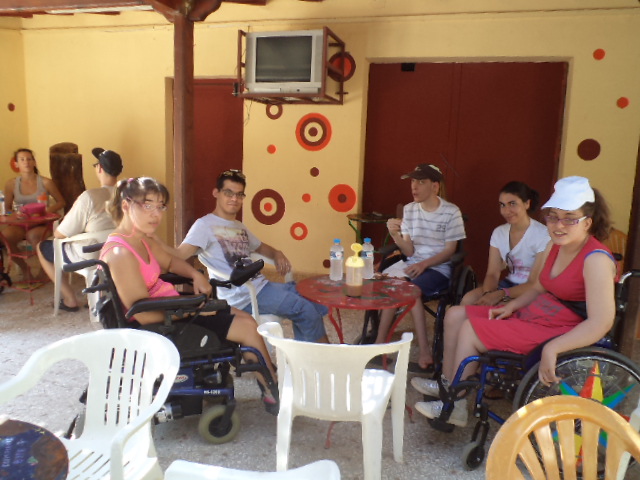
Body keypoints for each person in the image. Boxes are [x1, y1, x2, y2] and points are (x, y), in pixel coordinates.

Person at [412, 176, 616, 427]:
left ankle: (455, 404)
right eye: (553, 217)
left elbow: (601, 322)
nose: (558, 225)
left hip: (558, 328)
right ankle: (447, 382)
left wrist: (553, 348)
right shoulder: (557, 246)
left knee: (471, 329)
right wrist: (511, 305)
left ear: (587, 222)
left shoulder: (595, 259)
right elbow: (539, 287)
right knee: (455, 314)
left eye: (569, 218)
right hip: (536, 314)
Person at [100, 176, 278, 411]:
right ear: (126, 205)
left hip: (174, 311)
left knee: (246, 320)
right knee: (246, 328)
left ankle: (269, 380)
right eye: (148, 205)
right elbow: (141, 313)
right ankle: (272, 389)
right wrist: (194, 309)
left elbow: (171, 262)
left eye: (160, 206)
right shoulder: (120, 253)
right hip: (161, 324)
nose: (156, 214)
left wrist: (195, 275)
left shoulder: (141, 240)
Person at [171, 169, 329, 343]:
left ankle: (310, 352)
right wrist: (154, 244)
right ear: (216, 193)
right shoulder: (204, 225)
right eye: (228, 193)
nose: (234, 199)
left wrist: (276, 253)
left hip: (261, 286)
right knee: (303, 308)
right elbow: (180, 254)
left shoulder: (238, 226)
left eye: (239, 194)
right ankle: (319, 355)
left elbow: (260, 247)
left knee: (311, 298)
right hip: (243, 296)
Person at [376, 163, 466, 371]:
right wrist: (395, 235)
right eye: (413, 182)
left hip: (438, 268)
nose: (414, 187)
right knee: (391, 284)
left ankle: (425, 351)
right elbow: (408, 251)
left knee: (410, 290)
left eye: (421, 182)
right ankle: (380, 344)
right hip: (412, 265)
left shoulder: (451, 212)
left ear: (435, 186)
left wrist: (424, 264)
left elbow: (450, 250)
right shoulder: (410, 210)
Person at [36, 148, 123, 312]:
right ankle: (101, 294)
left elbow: (60, 233)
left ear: (99, 168)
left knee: (42, 247)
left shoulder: (89, 197)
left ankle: (69, 299)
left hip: (91, 254)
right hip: (119, 252)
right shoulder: (127, 195)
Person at [460, 181, 550, 306]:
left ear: (527, 203)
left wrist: (500, 295)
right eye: (502, 205)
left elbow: (534, 283)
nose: (506, 211)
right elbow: (492, 273)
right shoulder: (499, 233)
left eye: (512, 204)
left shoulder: (543, 234)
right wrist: (488, 294)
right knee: (468, 299)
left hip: (532, 291)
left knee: (499, 307)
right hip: (508, 285)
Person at [2, 148, 65, 279]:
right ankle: (25, 269)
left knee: (34, 236)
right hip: (22, 222)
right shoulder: (11, 184)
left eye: (29, 159)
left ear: (34, 162)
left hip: (42, 223)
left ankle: (45, 269)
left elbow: (61, 202)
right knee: (5, 236)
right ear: (16, 164)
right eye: (22, 159)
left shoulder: (46, 182)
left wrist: (47, 211)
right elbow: (7, 209)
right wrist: (14, 214)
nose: (26, 162)